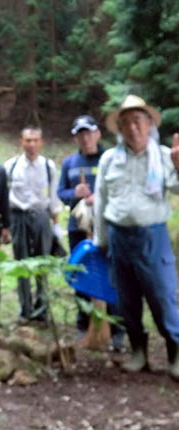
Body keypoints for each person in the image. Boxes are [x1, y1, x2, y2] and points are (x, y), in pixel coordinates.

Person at [94, 95, 179, 378]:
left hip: (152, 238)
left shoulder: (165, 156)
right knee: (126, 300)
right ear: (119, 128)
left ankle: (175, 354)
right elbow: (101, 202)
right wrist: (100, 240)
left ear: (149, 125)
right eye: (127, 123)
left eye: (138, 121)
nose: (133, 128)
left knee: (163, 298)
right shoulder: (109, 159)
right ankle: (138, 352)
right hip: (119, 238)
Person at [57, 115, 125, 351]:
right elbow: (61, 193)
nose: (85, 138)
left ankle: (117, 330)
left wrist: (100, 197)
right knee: (81, 273)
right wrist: (74, 193)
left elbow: (120, 188)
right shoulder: (69, 163)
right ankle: (83, 325)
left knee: (112, 274)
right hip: (79, 228)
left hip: (107, 227)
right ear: (76, 137)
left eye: (89, 133)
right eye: (80, 134)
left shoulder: (112, 158)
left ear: (97, 134)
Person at [4, 126, 62, 323]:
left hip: (41, 217)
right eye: (28, 140)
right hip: (18, 217)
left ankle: (42, 309)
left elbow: (54, 196)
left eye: (35, 140)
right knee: (22, 262)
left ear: (41, 142)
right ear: (21, 142)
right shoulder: (10, 166)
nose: (32, 144)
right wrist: (4, 225)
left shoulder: (48, 166)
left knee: (42, 262)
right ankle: (25, 309)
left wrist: (55, 223)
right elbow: (4, 196)